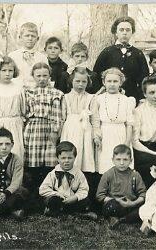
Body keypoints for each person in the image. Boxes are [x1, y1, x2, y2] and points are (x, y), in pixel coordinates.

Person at [60, 67, 98, 207]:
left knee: (84, 159)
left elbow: (94, 119)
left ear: (88, 82)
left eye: (84, 81)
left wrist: (96, 135)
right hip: (70, 129)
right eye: (77, 81)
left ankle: (82, 197)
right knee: (69, 159)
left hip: (85, 132)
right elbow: (63, 117)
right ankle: (65, 193)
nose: (80, 84)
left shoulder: (91, 98)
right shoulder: (65, 97)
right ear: (71, 81)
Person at [24, 62, 64, 194]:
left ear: (49, 76)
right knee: (33, 160)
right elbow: (25, 112)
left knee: (49, 160)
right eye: (38, 76)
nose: (42, 78)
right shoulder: (28, 92)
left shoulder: (56, 93)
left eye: (45, 75)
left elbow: (57, 113)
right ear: (33, 76)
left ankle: (48, 191)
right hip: (33, 128)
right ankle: (33, 193)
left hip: (49, 128)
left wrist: (55, 131)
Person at [93, 16, 149, 102]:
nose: (124, 33)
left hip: (131, 98)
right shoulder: (107, 52)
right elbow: (96, 75)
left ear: (132, 32)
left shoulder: (138, 54)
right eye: (121, 30)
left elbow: (144, 79)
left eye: (128, 30)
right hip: (109, 98)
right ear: (116, 32)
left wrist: (141, 98)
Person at [91, 68, 135, 174]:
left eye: (115, 81)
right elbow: (95, 121)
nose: (112, 84)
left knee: (122, 164)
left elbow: (129, 123)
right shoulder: (98, 99)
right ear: (103, 82)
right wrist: (97, 136)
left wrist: (127, 142)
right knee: (105, 166)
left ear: (120, 83)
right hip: (104, 135)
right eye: (109, 81)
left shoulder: (126, 100)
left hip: (121, 134)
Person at [39, 141, 97, 219]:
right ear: (58, 159)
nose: (66, 161)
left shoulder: (78, 174)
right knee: (52, 200)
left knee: (86, 200)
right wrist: (56, 194)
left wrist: (75, 197)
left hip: (72, 201)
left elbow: (84, 189)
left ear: (74, 158)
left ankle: (73, 213)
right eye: (63, 158)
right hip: (59, 200)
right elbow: (43, 189)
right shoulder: (53, 173)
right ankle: (56, 211)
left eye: (70, 158)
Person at [96, 144, 146, 229]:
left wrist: (132, 203)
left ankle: (122, 219)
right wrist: (116, 200)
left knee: (144, 208)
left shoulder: (135, 175)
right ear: (113, 160)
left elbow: (143, 194)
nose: (122, 163)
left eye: (125, 159)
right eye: (118, 159)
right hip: (115, 204)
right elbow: (100, 196)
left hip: (131, 205)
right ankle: (117, 218)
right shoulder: (108, 174)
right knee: (111, 206)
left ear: (131, 160)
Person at [133, 75, 156, 187]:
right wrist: (155, 154)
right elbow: (134, 142)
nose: (155, 96)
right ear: (145, 94)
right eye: (151, 93)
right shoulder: (138, 111)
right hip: (142, 151)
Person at [8, 22, 47, 88]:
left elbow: (46, 78)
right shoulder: (12, 56)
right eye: (27, 35)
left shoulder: (42, 58)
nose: (30, 38)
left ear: (37, 39)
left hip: (36, 91)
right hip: (16, 91)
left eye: (33, 36)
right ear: (20, 37)